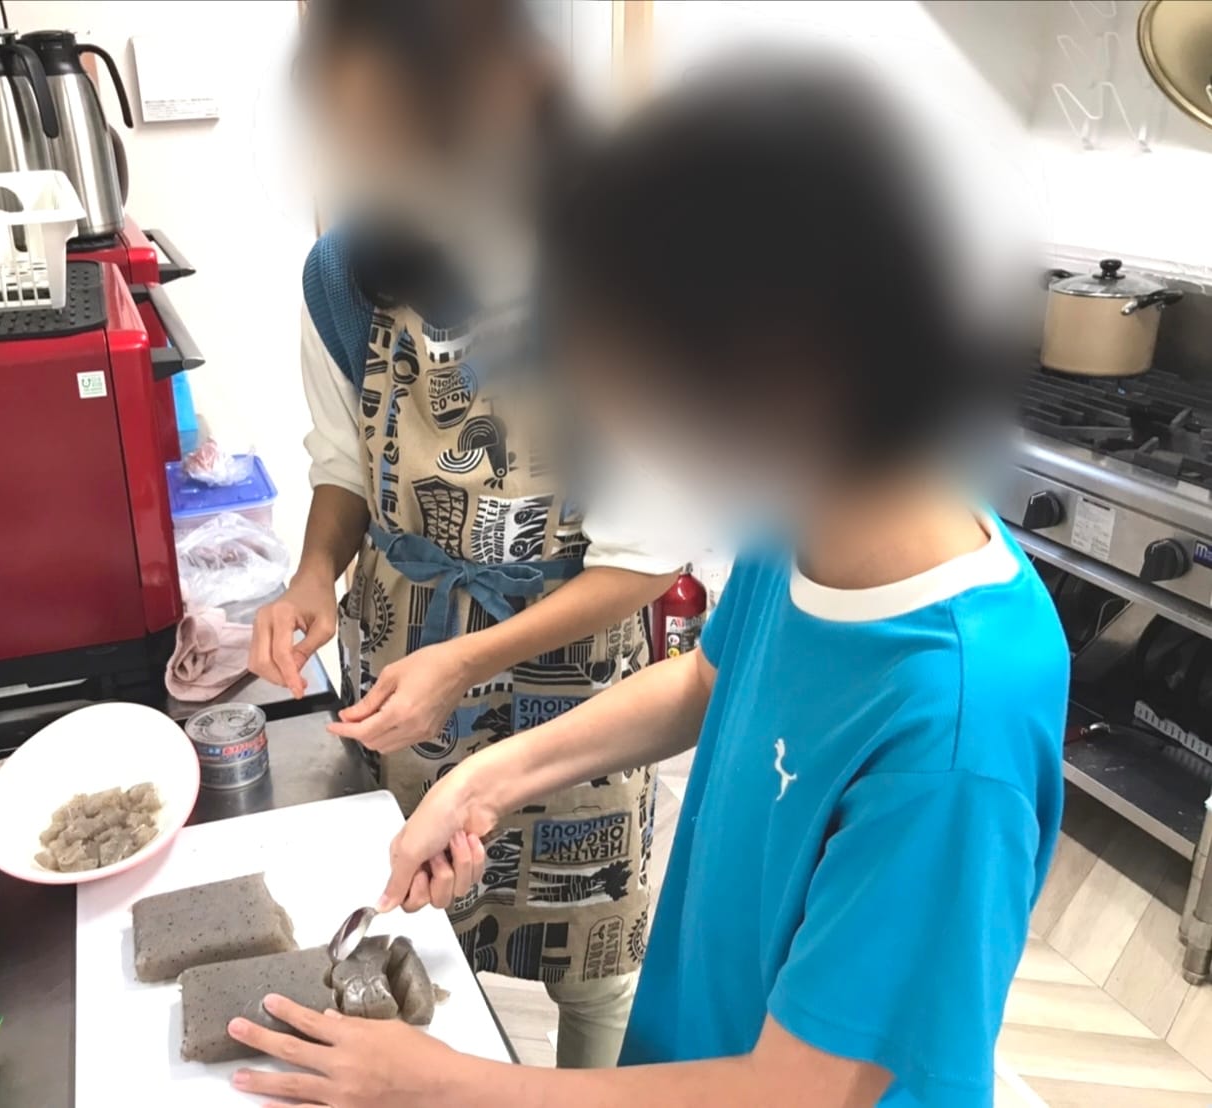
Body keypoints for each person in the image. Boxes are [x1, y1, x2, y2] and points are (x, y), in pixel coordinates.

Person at [229, 59, 1070, 1108]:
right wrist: (483, 780)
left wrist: (446, 1085)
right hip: (692, 1050)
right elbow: (706, 683)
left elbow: (796, 1092)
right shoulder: (810, 514)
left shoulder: (954, 735)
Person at [248, 0, 679, 1068]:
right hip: (403, 660)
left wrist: (470, 661)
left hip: (573, 682)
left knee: (594, 960)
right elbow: (344, 465)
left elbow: (642, 556)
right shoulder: (345, 273)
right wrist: (312, 575)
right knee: (422, 915)